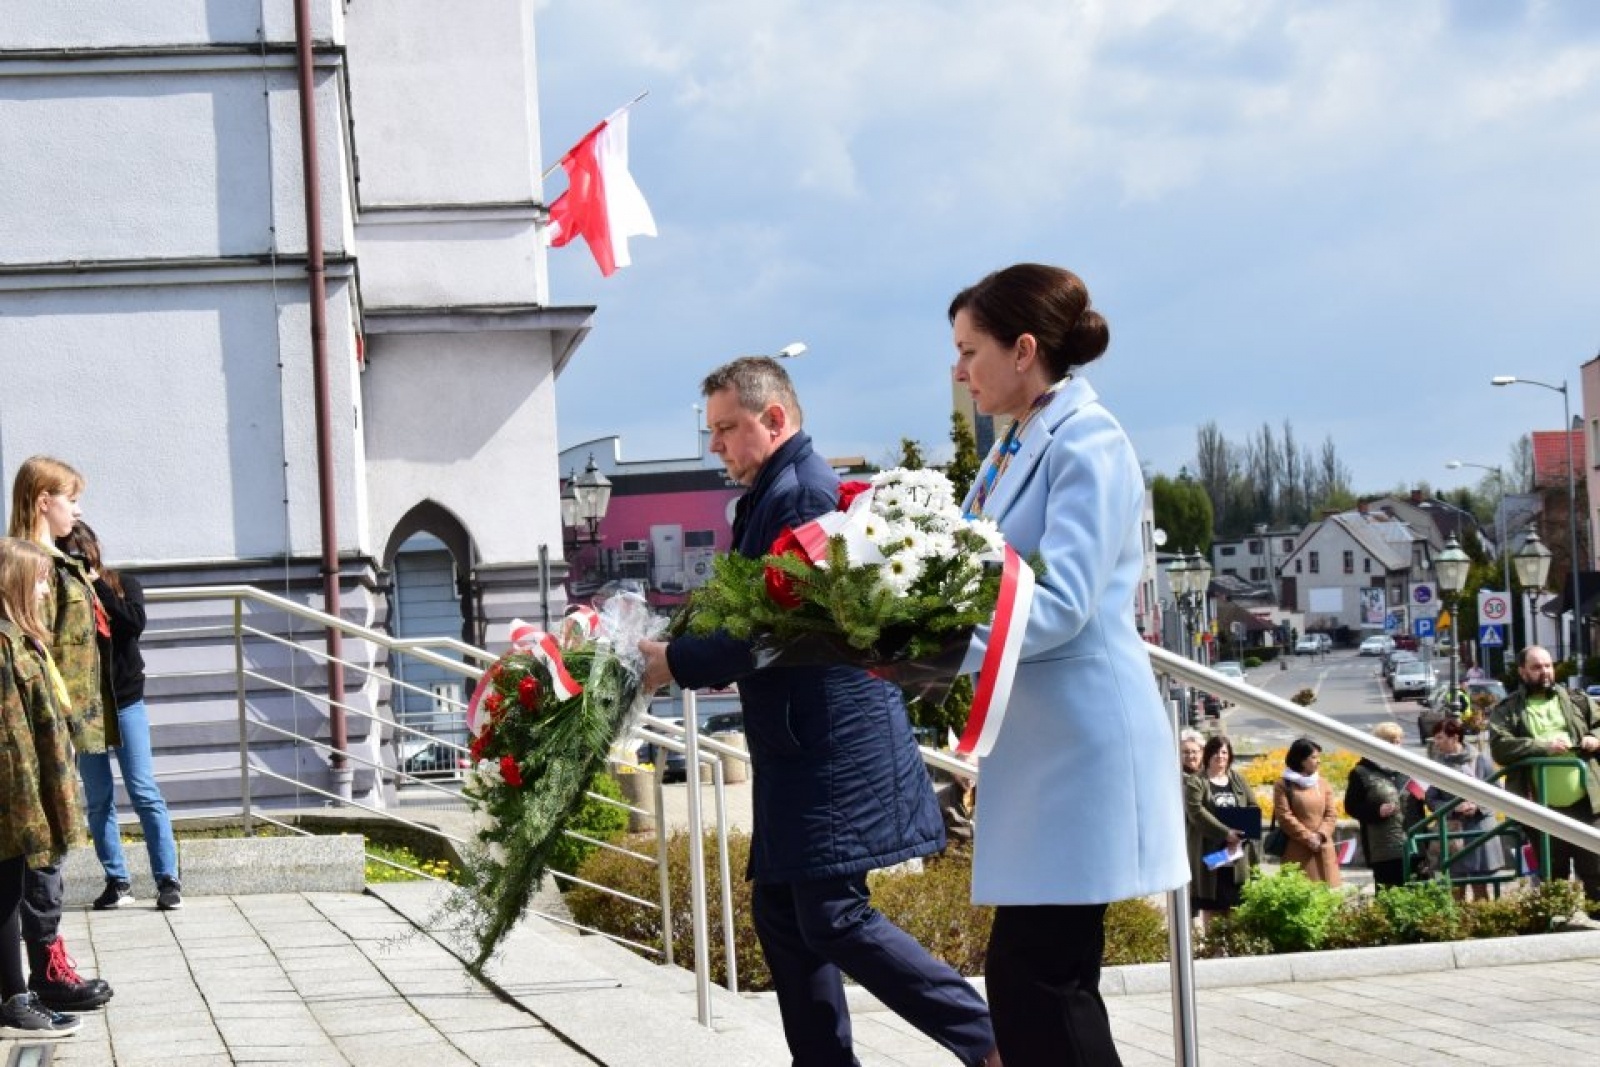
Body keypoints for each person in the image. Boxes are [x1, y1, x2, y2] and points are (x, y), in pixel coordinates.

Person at [637, 358, 998, 1067]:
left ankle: (987, 1039)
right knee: (783, 913)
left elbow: (771, 630)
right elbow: (754, 615)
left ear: (774, 419)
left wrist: (673, 663)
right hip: (803, 741)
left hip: (830, 741)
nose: (715, 446)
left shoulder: (800, 495)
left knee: (832, 915)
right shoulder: (778, 491)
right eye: (711, 431)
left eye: (725, 430)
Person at [948, 263, 1186, 1066]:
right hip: (1041, 744)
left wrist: (946, 653)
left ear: (1023, 350)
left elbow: (1064, 602)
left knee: (1040, 980)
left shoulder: (1087, 440)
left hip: (1083, 742)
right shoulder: (1011, 446)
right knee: (1030, 981)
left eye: (969, 349)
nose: (959, 371)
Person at [6, 456, 115, 1011]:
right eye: (71, 496)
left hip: (61, 722)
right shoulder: (28, 566)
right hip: (41, 726)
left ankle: (47, 964)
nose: (79, 507)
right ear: (43, 499)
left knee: (50, 849)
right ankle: (46, 969)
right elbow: (34, 649)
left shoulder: (55, 560)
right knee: (40, 852)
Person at [61, 522, 182, 911]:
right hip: (87, 709)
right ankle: (118, 881)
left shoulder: (123, 584)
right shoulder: (64, 594)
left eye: (83, 550)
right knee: (98, 799)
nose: (80, 558)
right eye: (70, 552)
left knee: (144, 790)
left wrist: (97, 586)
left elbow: (134, 625)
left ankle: (167, 879)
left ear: (95, 549)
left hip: (126, 701)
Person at [0, 538, 84, 1037]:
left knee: (7, 890)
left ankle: (16, 997)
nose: (45, 586)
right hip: (12, 795)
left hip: (23, 791)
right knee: (5, 895)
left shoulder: (19, 636)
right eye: (37, 578)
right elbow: (9, 738)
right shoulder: (4, 643)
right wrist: (29, 808)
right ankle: (14, 1001)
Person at [1488, 645, 1600, 900]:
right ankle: (1558, 925)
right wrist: (1543, 747)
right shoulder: (1508, 709)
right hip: (1541, 806)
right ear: (1522, 671)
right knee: (1553, 874)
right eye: (1537, 667)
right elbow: (1499, 747)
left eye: (1548, 665)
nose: (1545, 672)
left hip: (1588, 803)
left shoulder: (1577, 700)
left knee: (1595, 868)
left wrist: (1595, 737)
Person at [1425, 717, 1505, 888]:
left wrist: (1477, 806)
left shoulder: (1481, 759)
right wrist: (1453, 808)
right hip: (1453, 832)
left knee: (1481, 887)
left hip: (1479, 828)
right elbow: (1431, 798)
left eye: (1439, 737)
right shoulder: (1438, 764)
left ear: (1454, 738)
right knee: (1454, 887)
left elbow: (1497, 792)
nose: (1436, 743)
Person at [1343, 723, 1424, 889]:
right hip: (1383, 849)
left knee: (1417, 893)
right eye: (1391, 741)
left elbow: (1420, 802)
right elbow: (1351, 806)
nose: (1396, 746)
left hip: (1413, 845)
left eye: (1398, 741)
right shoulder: (1361, 772)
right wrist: (1376, 811)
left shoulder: (1409, 768)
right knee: (1389, 893)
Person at [1185, 735, 1256, 925]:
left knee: (1235, 908)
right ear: (1208, 754)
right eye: (1216, 752)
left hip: (1236, 855)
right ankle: (1215, 952)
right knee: (1212, 908)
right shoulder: (1196, 782)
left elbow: (1252, 805)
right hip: (1211, 854)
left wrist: (1243, 832)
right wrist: (1226, 833)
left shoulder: (1238, 779)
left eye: (1224, 752)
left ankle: (1233, 952)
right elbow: (1196, 812)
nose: (1220, 756)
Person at [1272, 737, 1341, 886]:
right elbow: (1284, 816)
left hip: (1323, 848)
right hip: (1297, 850)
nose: (1318, 761)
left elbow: (1331, 814)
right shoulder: (1283, 784)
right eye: (1314, 757)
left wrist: (1320, 835)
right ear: (1301, 760)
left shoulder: (1322, 783)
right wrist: (1308, 837)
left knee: (1328, 898)